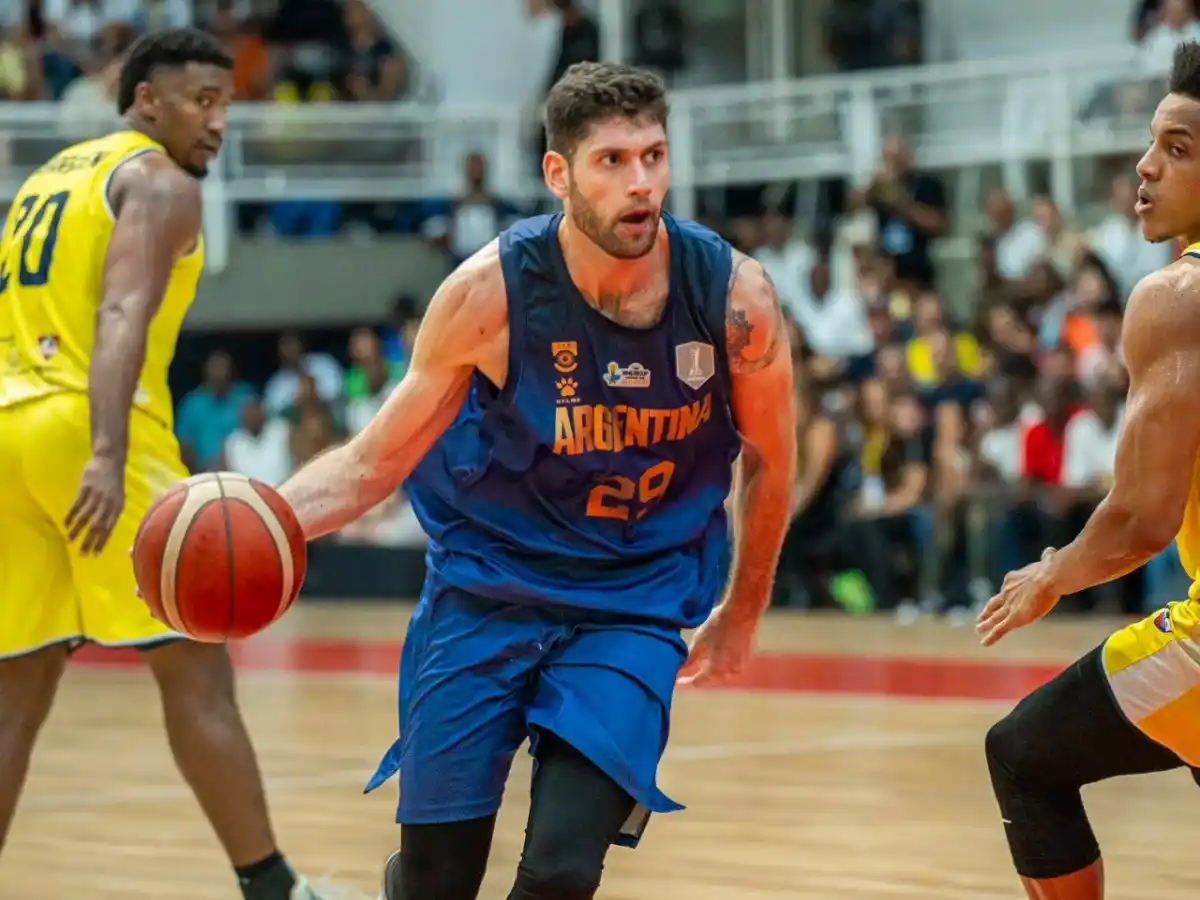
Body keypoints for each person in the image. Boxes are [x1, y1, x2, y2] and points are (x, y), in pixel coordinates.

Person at [275, 61, 797, 900]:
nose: (642, 183)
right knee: (437, 883)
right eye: (613, 161)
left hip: (633, 598)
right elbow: (375, 462)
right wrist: (256, 516)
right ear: (559, 174)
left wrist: (742, 609)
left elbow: (772, 456)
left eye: (654, 156)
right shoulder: (488, 295)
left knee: (558, 873)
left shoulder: (735, 297)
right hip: (488, 587)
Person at [0, 29, 354, 900]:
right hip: (90, 427)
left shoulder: (48, 179)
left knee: (16, 691)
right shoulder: (159, 183)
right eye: (200, 99)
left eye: (225, 102)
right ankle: (275, 890)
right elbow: (122, 312)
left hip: (7, 427)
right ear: (145, 100)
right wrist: (110, 452)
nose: (218, 120)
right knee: (197, 673)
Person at [978, 40, 1200, 900]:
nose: (1145, 167)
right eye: (1153, 142)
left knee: (1023, 756)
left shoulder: (1176, 298)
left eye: (1178, 148)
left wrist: (1052, 574)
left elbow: (1143, 516)